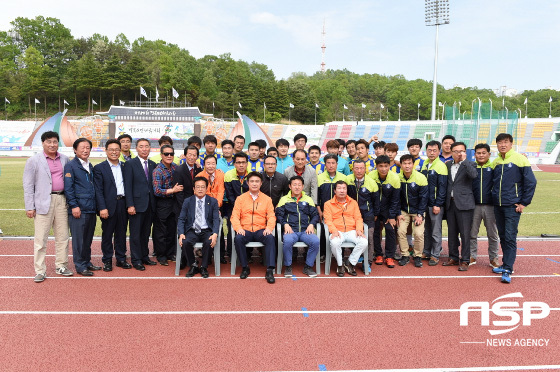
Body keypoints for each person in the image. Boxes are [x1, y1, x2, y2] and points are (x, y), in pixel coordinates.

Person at [23, 131, 72, 283]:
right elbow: (28, 185)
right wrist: (29, 206)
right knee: (41, 239)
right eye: (49, 142)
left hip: (62, 200)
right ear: (43, 143)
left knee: (63, 236)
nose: (52, 145)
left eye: (55, 142)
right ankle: (40, 270)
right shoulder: (34, 161)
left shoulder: (65, 159)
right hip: (43, 202)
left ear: (59, 143)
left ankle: (61, 266)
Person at [490, 133, 537, 283]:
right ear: (496, 145)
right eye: (500, 143)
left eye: (505, 142)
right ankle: (505, 264)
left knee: (510, 237)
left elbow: (531, 182)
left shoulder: (520, 159)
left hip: (512, 206)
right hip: (498, 205)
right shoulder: (496, 161)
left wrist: (524, 203)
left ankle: (508, 269)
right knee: (503, 236)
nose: (503, 145)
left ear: (511, 143)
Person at [231, 172, 277, 283]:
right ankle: (245, 267)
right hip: (245, 230)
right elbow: (234, 216)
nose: (254, 184)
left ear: (261, 183)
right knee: (238, 239)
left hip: (261, 230)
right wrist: (239, 229)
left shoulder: (267, 199)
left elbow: (271, 216)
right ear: (247, 183)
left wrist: (269, 228)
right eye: (252, 181)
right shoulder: (240, 199)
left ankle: (270, 269)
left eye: (257, 181)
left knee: (270, 238)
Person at [93, 139, 131, 272]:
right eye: (111, 149)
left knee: (121, 233)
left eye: (116, 150)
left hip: (123, 203)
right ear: (106, 151)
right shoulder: (99, 168)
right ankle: (107, 260)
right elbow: (98, 190)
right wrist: (102, 207)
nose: (114, 152)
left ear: (120, 151)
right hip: (108, 206)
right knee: (107, 234)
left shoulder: (125, 166)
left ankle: (121, 258)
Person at [64, 138, 99, 276]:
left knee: (88, 238)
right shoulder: (71, 166)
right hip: (79, 209)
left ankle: (87, 261)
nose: (85, 150)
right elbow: (68, 187)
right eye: (82, 148)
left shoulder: (89, 165)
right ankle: (80, 265)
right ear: (75, 150)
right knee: (79, 239)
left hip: (90, 208)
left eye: (88, 148)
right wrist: (74, 205)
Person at [123, 138, 157, 271]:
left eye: (146, 146)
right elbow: (128, 186)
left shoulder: (153, 164)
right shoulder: (130, 164)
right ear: (136, 148)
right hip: (136, 205)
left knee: (145, 233)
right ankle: (136, 259)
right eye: (141, 146)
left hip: (150, 205)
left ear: (150, 148)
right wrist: (130, 204)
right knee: (136, 234)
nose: (144, 149)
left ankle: (144, 256)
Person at [442, 142, 477, 271]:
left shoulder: (470, 164)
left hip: (465, 204)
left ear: (465, 152)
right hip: (450, 203)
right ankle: (453, 257)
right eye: (456, 151)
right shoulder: (448, 165)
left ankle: (466, 260)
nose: (459, 153)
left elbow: (473, 175)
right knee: (452, 233)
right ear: (451, 153)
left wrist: (464, 161)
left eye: (461, 151)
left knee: (465, 234)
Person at [276, 176, 320, 277]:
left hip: (306, 231)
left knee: (315, 241)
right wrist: (285, 224)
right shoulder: (284, 199)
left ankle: (308, 267)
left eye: (299, 185)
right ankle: (288, 266)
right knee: (287, 241)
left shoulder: (308, 199)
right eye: (294, 185)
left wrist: (311, 224)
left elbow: (315, 215)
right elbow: (279, 215)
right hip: (291, 231)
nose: (297, 187)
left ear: (303, 186)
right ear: (290, 186)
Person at [177, 177, 221, 278]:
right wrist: (181, 233)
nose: (200, 189)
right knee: (185, 242)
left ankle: (204, 267)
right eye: (198, 187)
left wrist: (215, 233)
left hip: (206, 230)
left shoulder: (213, 201)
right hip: (192, 230)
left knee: (209, 242)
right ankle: (193, 264)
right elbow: (181, 219)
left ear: (206, 189)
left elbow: (216, 219)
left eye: (202, 187)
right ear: (194, 189)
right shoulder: (188, 201)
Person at [323, 180, 368, 277]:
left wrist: (359, 230)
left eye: (344, 188)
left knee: (364, 242)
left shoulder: (353, 202)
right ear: (335, 191)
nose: (342, 191)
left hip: (352, 231)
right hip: (337, 231)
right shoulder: (328, 204)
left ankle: (350, 263)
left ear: (347, 190)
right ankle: (340, 265)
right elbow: (328, 220)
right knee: (335, 242)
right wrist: (334, 231)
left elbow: (358, 218)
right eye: (339, 188)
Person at [470, 143, 499, 268]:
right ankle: (472, 256)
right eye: (478, 153)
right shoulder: (472, 167)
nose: (481, 155)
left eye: (483, 153)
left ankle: (493, 258)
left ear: (489, 154)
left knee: (492, 234)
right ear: (475, 154)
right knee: (472, 233)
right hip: (474, 206)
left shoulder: (494, 166)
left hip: (490, 206)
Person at [152, 144, 182, 265]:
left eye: (171, 154)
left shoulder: (175, 167)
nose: (169, 156)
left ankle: (170, 253)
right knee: (161, 231)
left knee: (171, 230)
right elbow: (157, 191)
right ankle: (161, 255)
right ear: (161, 155)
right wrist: (172, 191)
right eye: (166, 154)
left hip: (174, 203)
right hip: (162, 203)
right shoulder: (157, 170)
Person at [346, 159, 379, 267]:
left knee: (369, 237)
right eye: (356, 168)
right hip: (351, 215)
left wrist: (374, 214)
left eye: (361, 168)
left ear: (365, 169)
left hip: (367, 215)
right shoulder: (347, 180)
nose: (359, 171)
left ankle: (367, 262)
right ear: (352, 169)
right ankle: (355, 257)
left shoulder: (372, 183)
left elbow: (376, 202)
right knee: (352, 236)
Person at [396, 154, 428, 268]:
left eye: (409, 163)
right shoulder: (397, 178)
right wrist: (398, 213)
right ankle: (404, 255)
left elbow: (424, 198)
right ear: (401, 165)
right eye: (404, 163)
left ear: (413, 164)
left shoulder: (421, 178)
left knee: (419, 234)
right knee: (400, 232)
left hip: (417, 211)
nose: (407, 166)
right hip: (403, 211)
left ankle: (417, 256)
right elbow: (396, 198)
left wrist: (420, 214)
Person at [369, 155, 401, 268]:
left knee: (390, 229)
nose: (383, 169)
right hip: (375, 208)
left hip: (388, 209)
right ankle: (378, 254)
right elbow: (370, 197)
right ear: (376, 166)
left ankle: (389, 256)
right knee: (376, 230)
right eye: (380, 166)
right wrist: (374, 213)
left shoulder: (395, 178)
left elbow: (395, 199)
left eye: (386, 166)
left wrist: (392, 216)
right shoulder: (371, 176)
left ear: (389, 166)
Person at [420, 140, 448, 266]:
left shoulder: (441, 166)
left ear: (439, 151)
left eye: (434, 150)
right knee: (427, 230)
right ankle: (426, 251)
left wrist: (438, 204)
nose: (431, 153)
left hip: (435, 204)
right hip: (425, 203)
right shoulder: (425, 164)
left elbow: (442, 188)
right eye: (429, 150)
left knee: (436, 231)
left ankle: (435, 254)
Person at [217, 139, 235, 262]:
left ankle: (231, 252)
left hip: (232, 201)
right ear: (222, 150)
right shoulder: (217, 162)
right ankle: (220, 254)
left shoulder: (237, 163)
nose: (227, 150)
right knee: (218, 227)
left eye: (229, 148)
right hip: (218, 200)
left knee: (230, 227)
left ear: (233, 150)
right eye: (225, 148)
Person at [173, 145, 203, 220]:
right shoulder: (179, 170)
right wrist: (185, 207)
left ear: (197, 157)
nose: (192, 157)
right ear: (185, 155)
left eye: (194, 155)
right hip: (183, 206)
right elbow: (179, 193)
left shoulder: (198, 168)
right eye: (189, 155)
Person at [317, 154, 346, 223]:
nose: (331, 166)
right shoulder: (319, 178)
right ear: (325, 164)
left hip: (340, 211)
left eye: (333, 163)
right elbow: (317, 197)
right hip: (324, 211)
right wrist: (319, 211)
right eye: (328, 163)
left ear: (337, 164)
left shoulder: (344, 178)